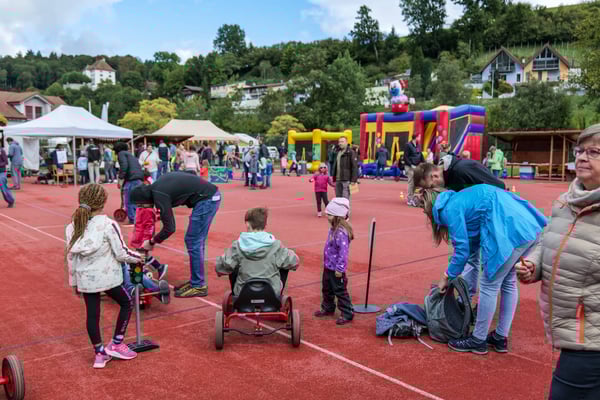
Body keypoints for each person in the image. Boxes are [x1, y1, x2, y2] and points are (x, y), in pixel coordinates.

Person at [515, 123, 600, 399]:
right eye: (580, 150)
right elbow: (547, 240)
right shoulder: (565, 201)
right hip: (571, 329)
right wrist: (534, 265)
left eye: (594, 152)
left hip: (590, 338)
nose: (583, 157)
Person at [420, 185, 547, 355]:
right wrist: (453, 271)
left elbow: (462, 249)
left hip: (512, 230)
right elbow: (471, 243)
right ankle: (500, 337)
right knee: (508, 281)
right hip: (528, 226)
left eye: (423, 209)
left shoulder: (450, 209)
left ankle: (478, 340)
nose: (424, 213)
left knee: (489, 284)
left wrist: (447, 276)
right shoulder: (459, 199)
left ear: (430, 206)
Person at [65, 184, 142, 368]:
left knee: (92, 315)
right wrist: (139, 257)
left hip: (85, 279)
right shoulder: (108, 224)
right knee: (127, 303)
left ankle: (99, 354)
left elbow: (71, 258)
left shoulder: (72, 227)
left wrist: (74, 282)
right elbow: (121, 253)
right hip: (108, 278)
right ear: (103, 202)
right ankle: (116, 343)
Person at [413, 157, 506, 300]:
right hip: (483, 217)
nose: (432, 191)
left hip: (495, 214)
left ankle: (472, 300)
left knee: (491, 274)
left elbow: (498, 186)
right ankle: (467, 297)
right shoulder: (450, 176)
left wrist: (448, 274)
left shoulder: (461, 170)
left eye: (430, 187)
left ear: (434, 176)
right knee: (470, 256)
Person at [129, 172, 221, 298]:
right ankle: (196, 281)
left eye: (140, 205)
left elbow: (170, 228)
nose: (141, 208)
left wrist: (151, 242)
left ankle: (198, 285)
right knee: (195, 241)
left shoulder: (159, 195)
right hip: (207, 196)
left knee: (193, 241)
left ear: (144, 199)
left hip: (207, 199)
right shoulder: (157, 188)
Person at [215, 207, 299, 296]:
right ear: (265, 225)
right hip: (271, 292)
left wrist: (221, 268)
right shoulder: (276, 245)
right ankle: (277, 296)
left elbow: (221, 267)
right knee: (284, 263)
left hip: (243, 293)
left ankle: (236, 295)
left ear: (247, 224)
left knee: (233, 264)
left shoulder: (237, 245)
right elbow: (294, 262)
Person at [314, 197, 354, 325]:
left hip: (336, 269)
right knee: (327, 289)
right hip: (328, 266)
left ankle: (347, 313)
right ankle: (328, 307)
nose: (327, 216)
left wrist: (340, 269)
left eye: (329, 214)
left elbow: (343, 253)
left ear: (337, 216)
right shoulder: (332, 229)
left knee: (340, 291)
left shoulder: (341, 233)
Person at [115, 141, 144, 225]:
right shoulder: (130, 155)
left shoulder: (121, 154)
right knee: (135, 200)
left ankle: (132, 219)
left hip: (132, 180)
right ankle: (137, 218)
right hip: (138, 179)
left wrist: (120, 178)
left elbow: (124, 166)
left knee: (129, 201)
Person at [403, 135, 424, 207]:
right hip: (409, 167)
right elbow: (405, 157)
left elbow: (420, 155)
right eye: (419, 137)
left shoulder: (418, 145)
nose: (420, 138)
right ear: (416, 137)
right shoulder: (408, 145)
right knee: (411, 181)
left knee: (416, 182)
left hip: (417, 166)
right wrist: (411, 165)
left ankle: (412, 196)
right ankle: (409, 199)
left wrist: (424, 163)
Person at [0, 143, 15, 208]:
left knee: (2, 186)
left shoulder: (2, 151)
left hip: (1, 172)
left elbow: (6, 162)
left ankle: (10, 201)